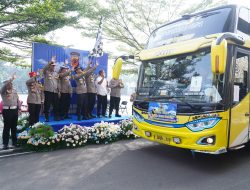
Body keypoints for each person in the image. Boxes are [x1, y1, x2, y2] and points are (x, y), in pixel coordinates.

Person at [0, 74, 19, 149]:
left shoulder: (14, 91)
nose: (10, 84)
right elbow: (4, 87)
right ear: (5, 84)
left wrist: (19, 109)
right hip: (7, 110)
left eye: (11, 83)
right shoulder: (3, 91)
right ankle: (5, 144)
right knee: (7, 127)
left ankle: (14, 142)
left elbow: (17, 100)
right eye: (8, 83)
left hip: (14, 110)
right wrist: (11, 78)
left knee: (14, 127)